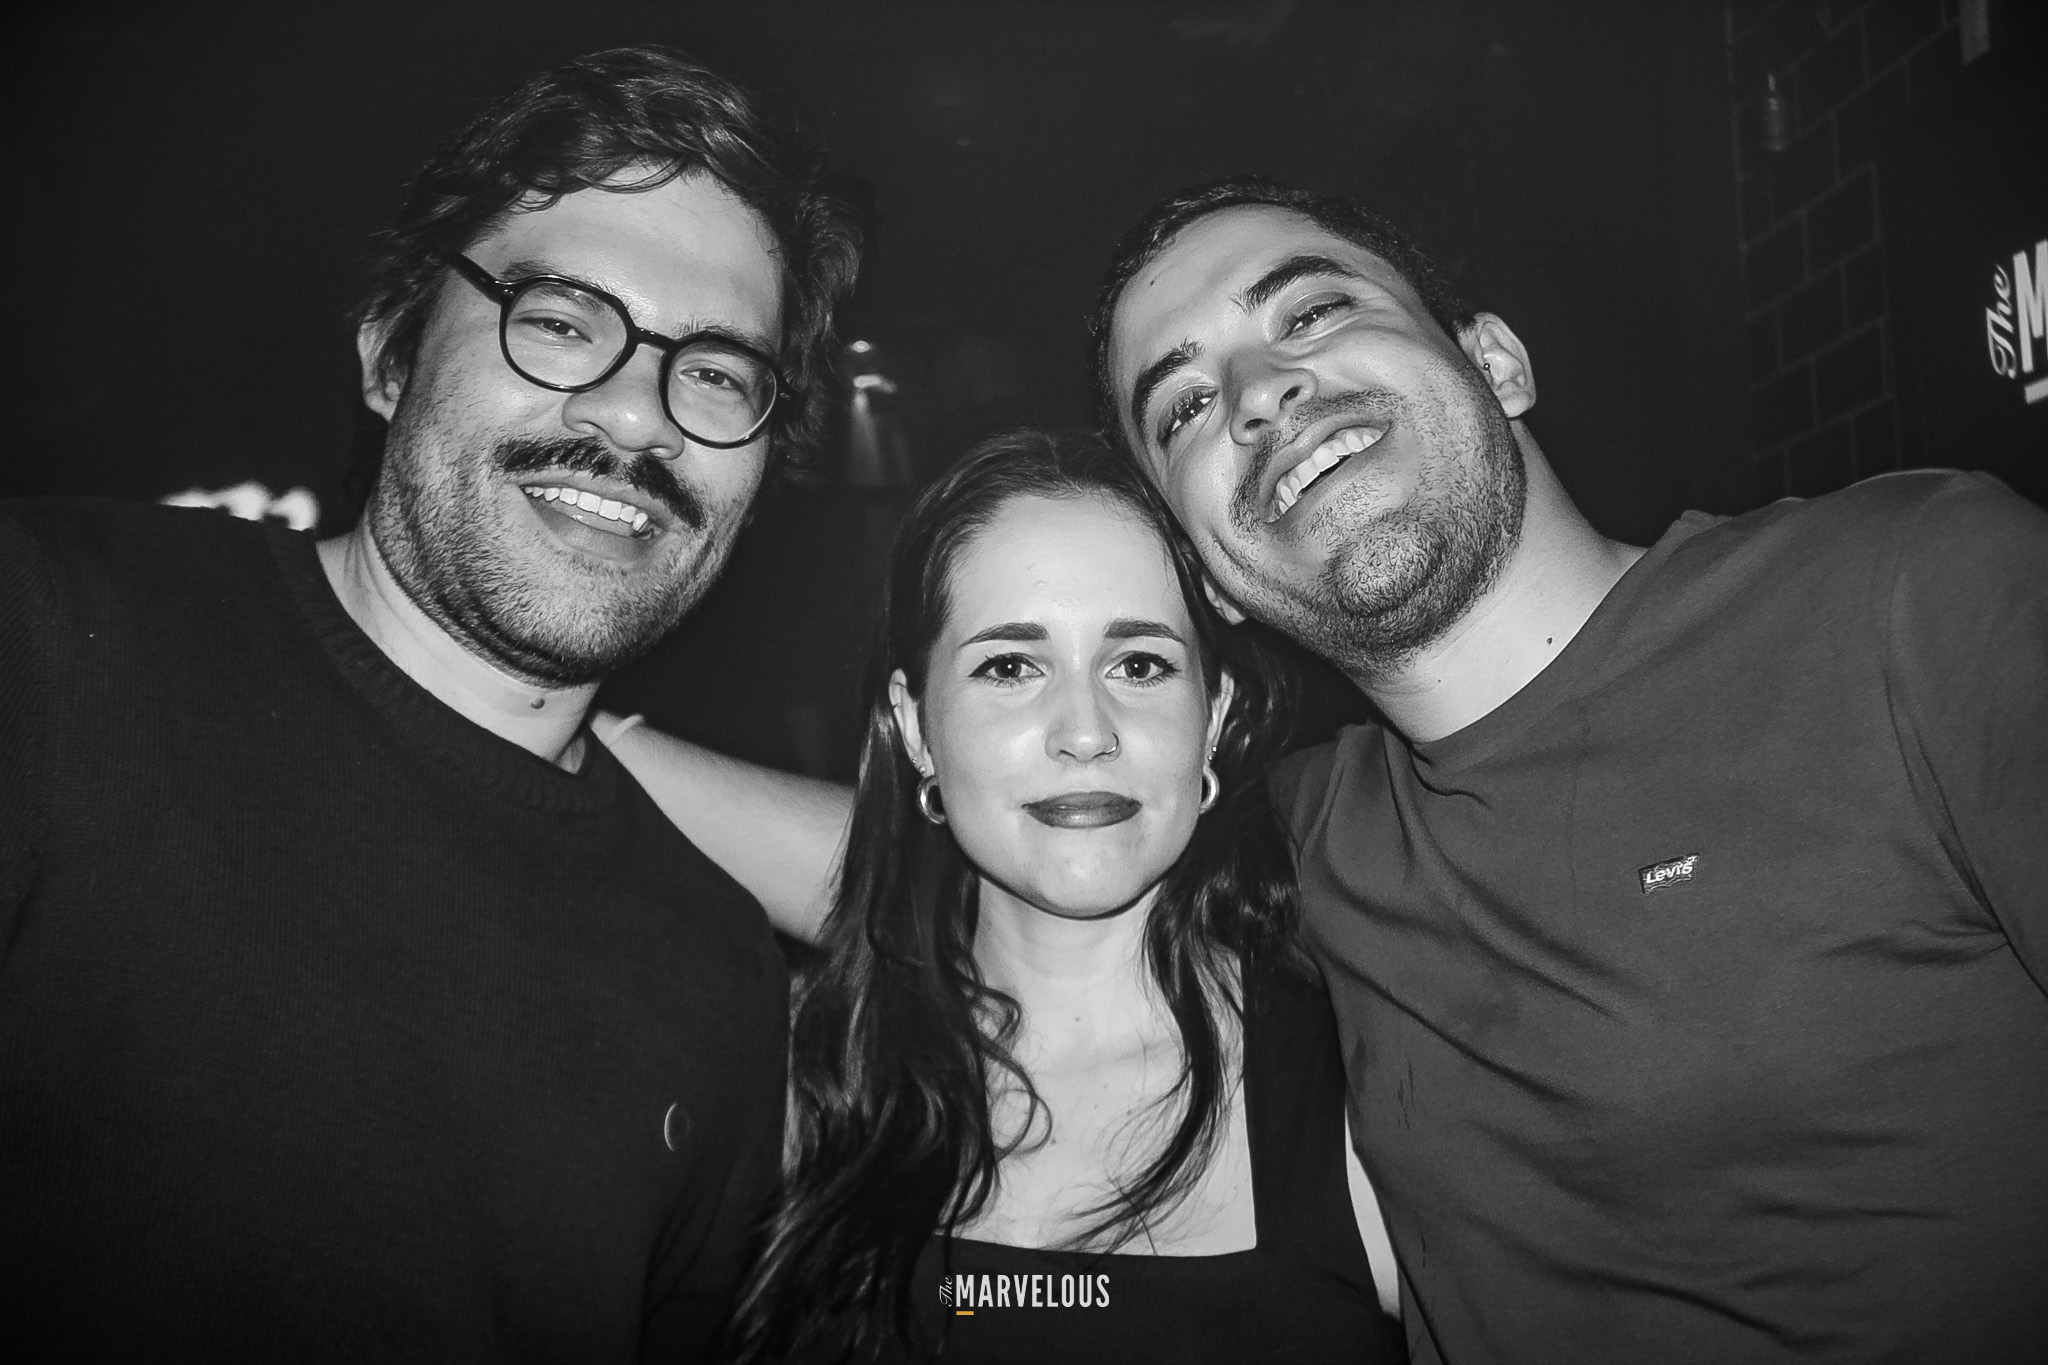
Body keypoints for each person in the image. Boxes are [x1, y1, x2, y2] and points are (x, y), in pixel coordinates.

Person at [1091, 176, 2048, 1363]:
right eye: (1182, 405)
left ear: (1493, 364)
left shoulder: (1909, 592)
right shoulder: (1297, 843)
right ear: (1211, 578)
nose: (1254, 394)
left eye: (1311, 312)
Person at [0, 46, 860, 1361]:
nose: (637, 416)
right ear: (390, 355)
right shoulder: (48, 638)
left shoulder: (720, 978)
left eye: (716, 374)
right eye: (561, 320)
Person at [610, 430, 1404, 1363]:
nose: (1085, 731)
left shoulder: (1371, 1090)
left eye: (1139, 664)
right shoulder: (794, 1073)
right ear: (916, 728)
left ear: (1214, 716)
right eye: (1010, 667)